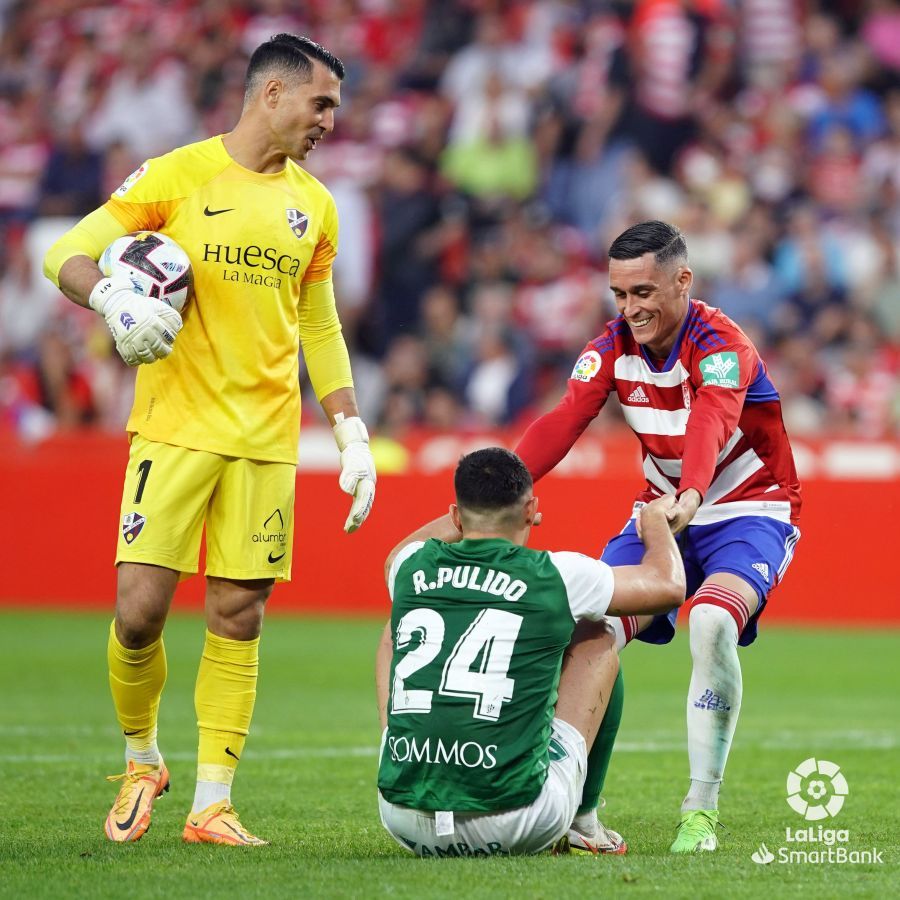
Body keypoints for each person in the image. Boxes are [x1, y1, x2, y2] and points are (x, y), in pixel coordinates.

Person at [42, 34, 377, 846]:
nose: (330, 119)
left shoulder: (316, 207)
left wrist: (350, 426)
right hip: (175, 427)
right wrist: (112, 302)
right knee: (138, 613)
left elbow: (319, 324)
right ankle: (142, 759)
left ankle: (212, 804)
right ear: (271, 94)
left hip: (266, 439)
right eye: (321, 102)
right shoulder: (177, 175)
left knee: (238, 614)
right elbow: (65, 251)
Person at [514, 220, 802, 852]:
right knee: (589, 630)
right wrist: (506, 488)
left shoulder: (723, 343)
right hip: (660, 512)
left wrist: (693, 494)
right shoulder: (611, 346)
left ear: (682, 280)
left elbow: (713, 417)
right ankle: (581, 814)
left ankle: (700, 809)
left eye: (643, 292)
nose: (630, 309)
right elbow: (567, 417)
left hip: (748, 511)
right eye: (619, 294)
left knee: (711, 622)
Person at [375, 447, 685, 857]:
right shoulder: (555, 574)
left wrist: (466, 516)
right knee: (599, 631)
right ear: (530, 510)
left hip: (404, 816)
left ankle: (404, 752)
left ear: (455, 515)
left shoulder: (410, 566)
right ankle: (583, 823)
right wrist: (654, 521)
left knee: (393, 628)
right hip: (517, 820)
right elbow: (668, 586)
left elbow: (400, 551)